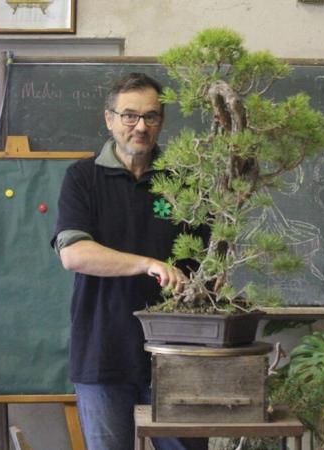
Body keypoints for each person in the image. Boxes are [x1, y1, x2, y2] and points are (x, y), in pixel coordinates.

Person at [51, 72, 207, 450]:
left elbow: (210, 262)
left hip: (178, 355)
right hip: (103, 351)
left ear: (162, 121)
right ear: (109, 119)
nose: (140, 126)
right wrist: (146, 263)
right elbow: (73, 254)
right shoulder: (82, 178)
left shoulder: (188, 181)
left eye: (151, 116)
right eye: (129, 116)